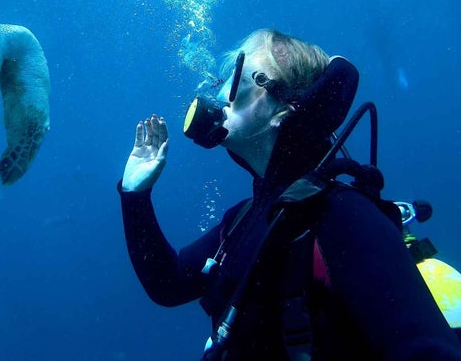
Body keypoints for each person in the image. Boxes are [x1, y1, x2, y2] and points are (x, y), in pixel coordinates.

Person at [117, 29, 461, 359]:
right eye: (225, 80)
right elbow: (169, 284)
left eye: (238, 76)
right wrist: (135, 195)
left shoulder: (341, 215)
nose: (222, 93)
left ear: (286, 109)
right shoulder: (240, 221)